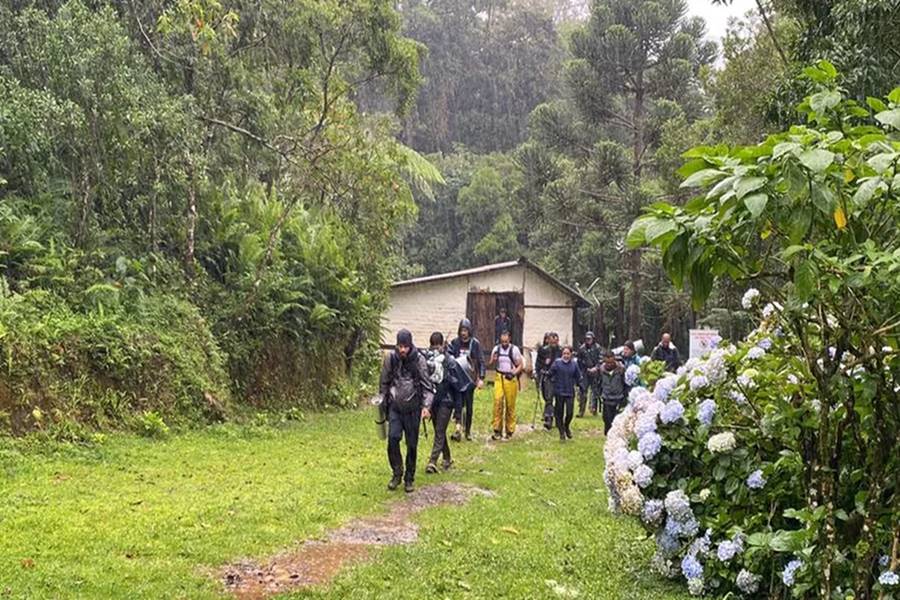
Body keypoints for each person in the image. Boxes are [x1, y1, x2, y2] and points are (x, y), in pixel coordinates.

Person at [379, 329, 434, 493]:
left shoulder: (419, 361)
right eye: (399, 346)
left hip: (413, 409)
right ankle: (397, 472)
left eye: (405, 346)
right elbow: (384, 383)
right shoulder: (391, 359)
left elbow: (428, 387)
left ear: (410, 346)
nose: (402, 350)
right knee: (393, 439)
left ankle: (409, 477)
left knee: (412, 445)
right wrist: (382, 403)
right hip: (395, 407)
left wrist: (426, 407)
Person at [425, 332, 467, 474]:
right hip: (433, 400)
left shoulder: (450, 361)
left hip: (447, 400)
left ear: (442, 344)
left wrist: (458, 411)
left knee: (439, 430)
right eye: (433, 345)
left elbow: (457, 387)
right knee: (439, 430)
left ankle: (432, 461)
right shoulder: (428, 360)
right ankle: (447, 457)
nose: (435, 348)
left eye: (437, 345)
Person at [447, 318, 485, 441]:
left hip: (470, 380)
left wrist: (481, 378)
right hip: (458, 379)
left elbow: (481, 361)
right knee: (458, 404)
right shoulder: (454, 343)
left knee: (469, 406)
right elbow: (449, 358)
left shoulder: (475, 344)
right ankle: (458, 429)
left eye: (466, 330)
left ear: (469, 331)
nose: (464, 333)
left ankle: (467, 431)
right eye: (462, 330)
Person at [489, 330, 523, 440]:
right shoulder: (496, 349)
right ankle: (497, 430)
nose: (504, 343)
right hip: (499, 377)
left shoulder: (514, 350)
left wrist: (513, 373)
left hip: (510, 378)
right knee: (498, 402)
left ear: (509, 340)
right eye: (502, 341)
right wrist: (493, 360)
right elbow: (490, 363)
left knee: (510, 404)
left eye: (506, 341)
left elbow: (520, 366)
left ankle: (509, 430)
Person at [548, 345, 581, 441]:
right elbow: (550, 373)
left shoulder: (574, 364)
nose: (566, 355)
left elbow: (578, 376)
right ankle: (561, 432)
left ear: (571, 354)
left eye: (568, 354)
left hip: (570, 391)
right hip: (559, 391)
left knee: (570, 413)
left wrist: (580, 385)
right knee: (559, 413)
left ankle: (566, 426)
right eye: (564, 354)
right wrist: (546, 374)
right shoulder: (557, 363)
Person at [536, 331, 562, 429]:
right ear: (549, 341)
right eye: (551, 342)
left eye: (555, 342)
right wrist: (539, 372)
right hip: (548, 377)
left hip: (559, 378)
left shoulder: (561, 351)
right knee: (548, 398)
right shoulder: (543, 350)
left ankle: (551, 417)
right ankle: (549, 417)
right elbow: (538, 364)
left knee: (558, 399)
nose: (553, 344)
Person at [598, 350, 627, 435]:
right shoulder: (601, 370)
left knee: (616, 419)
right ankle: (608, 433)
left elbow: (625, 383)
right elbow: (598, 383)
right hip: (606, 397)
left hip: (618, 397)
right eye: (607, 362)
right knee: (606, 418)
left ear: (614, 359)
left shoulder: (621, 369)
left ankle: (615, 434)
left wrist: (624, 396)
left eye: (611, 362)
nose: (609, 364)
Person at [576, 331, 602, 417]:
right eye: (587, 339)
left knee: (595, 392)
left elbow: (600, 360)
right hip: (585, 372)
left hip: (595, 372)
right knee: (583, 391)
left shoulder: (598, 348)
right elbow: (579, 360)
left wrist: (596, 368)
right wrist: (584, 369)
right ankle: (581, 410)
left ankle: (594, 409)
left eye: (589, 339)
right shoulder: (582, 348)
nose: (588, 341)